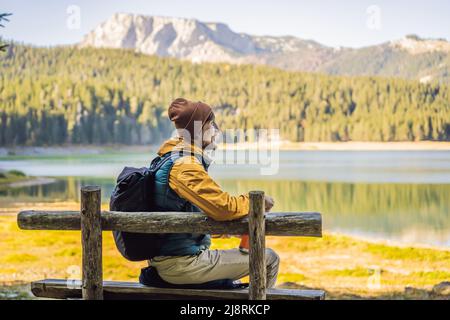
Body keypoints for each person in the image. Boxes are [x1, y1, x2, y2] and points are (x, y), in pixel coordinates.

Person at [148, 97, 280, 288]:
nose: (217, 131)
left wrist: (226, 230)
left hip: (174, 259)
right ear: (198, 129)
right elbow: (222, 207)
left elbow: (191, 213)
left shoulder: (176, 158)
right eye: (212, 124)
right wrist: (255, 203)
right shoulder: (185, 165)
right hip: (181, 264)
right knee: (269, 258)